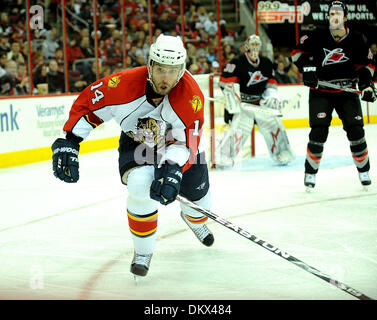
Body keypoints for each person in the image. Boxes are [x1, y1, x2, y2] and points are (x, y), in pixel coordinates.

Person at [51, 34, 214, 278]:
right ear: (150, 65)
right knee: (139, 185)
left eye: (172, 71)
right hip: (139, 141)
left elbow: (186, 142)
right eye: (160, 69)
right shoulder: (123, 84)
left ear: (181, 70)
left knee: (200, 201)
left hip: (179, 148)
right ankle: (143, 251)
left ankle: (195, 220)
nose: (165, 78)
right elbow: (89, 105)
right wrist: (70, 140)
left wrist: (172, 169)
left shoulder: (191, 97)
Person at [291, 0, 376, 189]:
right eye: (331, 14)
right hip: (321, 92)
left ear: (345, 17)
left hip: (347, 92)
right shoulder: (317, 35)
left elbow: (368, 64)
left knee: (356, 131)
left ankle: (364, 170)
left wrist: (365, 84)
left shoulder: (357, 38)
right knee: (318, 131)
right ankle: (310, 174)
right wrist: (309, 70)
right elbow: (296, 54)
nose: (334, 17)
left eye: (338, 13)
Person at [217, 34, 295, 166]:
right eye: (252, 44)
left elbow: (271, 83)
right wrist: (233, 97)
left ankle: (282, 152)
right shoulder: (236, 62)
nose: (254, 47)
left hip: (259, 103)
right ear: (247, 46)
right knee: (240, 129)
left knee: (274, 125)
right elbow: (224, 82)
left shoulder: (266, 63)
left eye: (257, 44)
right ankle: (224, 156)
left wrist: (271, 96)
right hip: (242, 104)